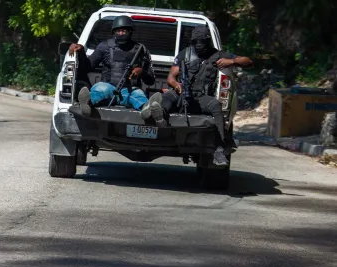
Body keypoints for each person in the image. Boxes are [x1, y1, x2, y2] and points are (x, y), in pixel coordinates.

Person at [153, 26, 253, 166]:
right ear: (192, 42)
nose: (199, 45)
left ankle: (219, 149)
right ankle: (160, 116)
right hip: (182, 93)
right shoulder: (184, 54)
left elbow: (248, 61)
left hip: (201, 98)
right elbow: (171, 77)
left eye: (202, 42)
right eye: (196, 42)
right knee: (168, 97)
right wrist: (176, 85)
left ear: (208, 41)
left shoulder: (218, 55)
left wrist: (231, 61)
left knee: (216, 105)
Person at [68, 16, 161, 117]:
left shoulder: (141, 49)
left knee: (138, 95)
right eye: (118, 31)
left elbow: (151, 81)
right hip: (109, 89)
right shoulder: (104, 46)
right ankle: (87, 103)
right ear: (113, 32)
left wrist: (141, 72)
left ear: (130, 31)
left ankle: (147, 109)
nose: (120, 33)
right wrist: (81, 51)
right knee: (100, 89)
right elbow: (87, 67)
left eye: (124, 31)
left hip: (127, 92)